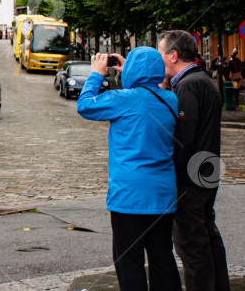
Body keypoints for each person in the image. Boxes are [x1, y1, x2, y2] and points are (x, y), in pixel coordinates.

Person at [77, 47, 181, 291]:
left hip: (129, 195)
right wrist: (133, 73)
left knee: (129, 261)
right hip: (162, 194)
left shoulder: (122, 99)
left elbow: (85, 105)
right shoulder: (170, 100)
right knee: (162, 258)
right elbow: (152, 92)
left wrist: (96, 74)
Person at [157, 30, 231, 291]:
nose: (158, 59)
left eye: (160, 53)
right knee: (207, 237)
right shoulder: (202, 80)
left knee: (192, 246)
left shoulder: (188, 85)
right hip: (206, 169)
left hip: (190, 177)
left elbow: (183, 139)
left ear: (173, 55)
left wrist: (170, 176)